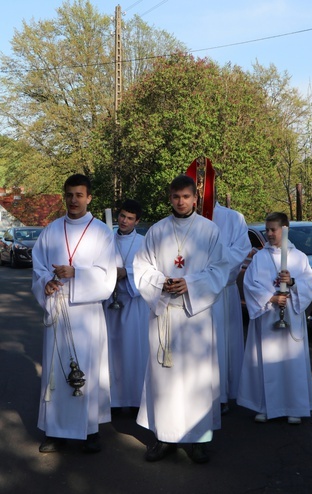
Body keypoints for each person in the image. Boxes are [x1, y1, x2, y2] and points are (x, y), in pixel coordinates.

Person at [133, 174, 229, 463]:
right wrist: (161, 282)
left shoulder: (209, 231)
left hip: (195, 319)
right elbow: (141, 267)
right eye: (176, 197)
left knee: (196, 378)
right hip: (165, 316)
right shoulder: (157, 231)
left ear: (195, 198)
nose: (181, 202)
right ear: (170, 198)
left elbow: (220, 270)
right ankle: (164, 437)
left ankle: (198, 439)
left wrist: (190, 283)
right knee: (166, 381)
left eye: (186, 197)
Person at [32, 174, 117, 453]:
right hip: (58, 307)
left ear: (89, 197)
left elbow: (108, 277)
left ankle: (90, 431)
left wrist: (76, 273)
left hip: (87, 313)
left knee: (88, 369)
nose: (73, 200)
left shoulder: (101, 233)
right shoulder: (52, 230)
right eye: (69, 195)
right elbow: (39, 267)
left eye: (79, 195)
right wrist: (47, 282)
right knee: (56, 370)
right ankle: (55, 431)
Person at [237, 212, 312, 424]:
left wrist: (292, 283)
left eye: (274, 229)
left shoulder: (299, 257)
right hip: (267, 316)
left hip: (291, 315)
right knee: (266, 360)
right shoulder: (260, 258)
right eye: (267, 230)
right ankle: (264, 405)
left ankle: (294, 407)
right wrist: (271, 297)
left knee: (292, 361)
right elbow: (249, 285)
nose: (269, 234)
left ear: (285, 229)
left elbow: (310, 285)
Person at [103, 199, 149, 412]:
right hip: (108, 302)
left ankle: (132, 400)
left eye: (130, 218)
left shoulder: (144, 242)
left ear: (137, 221)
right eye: (122, 216)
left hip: (133, 302)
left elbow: (149, 270)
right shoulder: (106, 240)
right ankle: (111, 400)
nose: (124, 221)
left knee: (132, 351)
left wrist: (126, 273)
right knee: (110, 352)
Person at [212, 201, 251, 415]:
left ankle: (222, 394)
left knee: (222, 344)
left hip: (222, 292)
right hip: (191, 291)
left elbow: (241, 250)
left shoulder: (233, 217)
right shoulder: (185, 218)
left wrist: (213, 266)